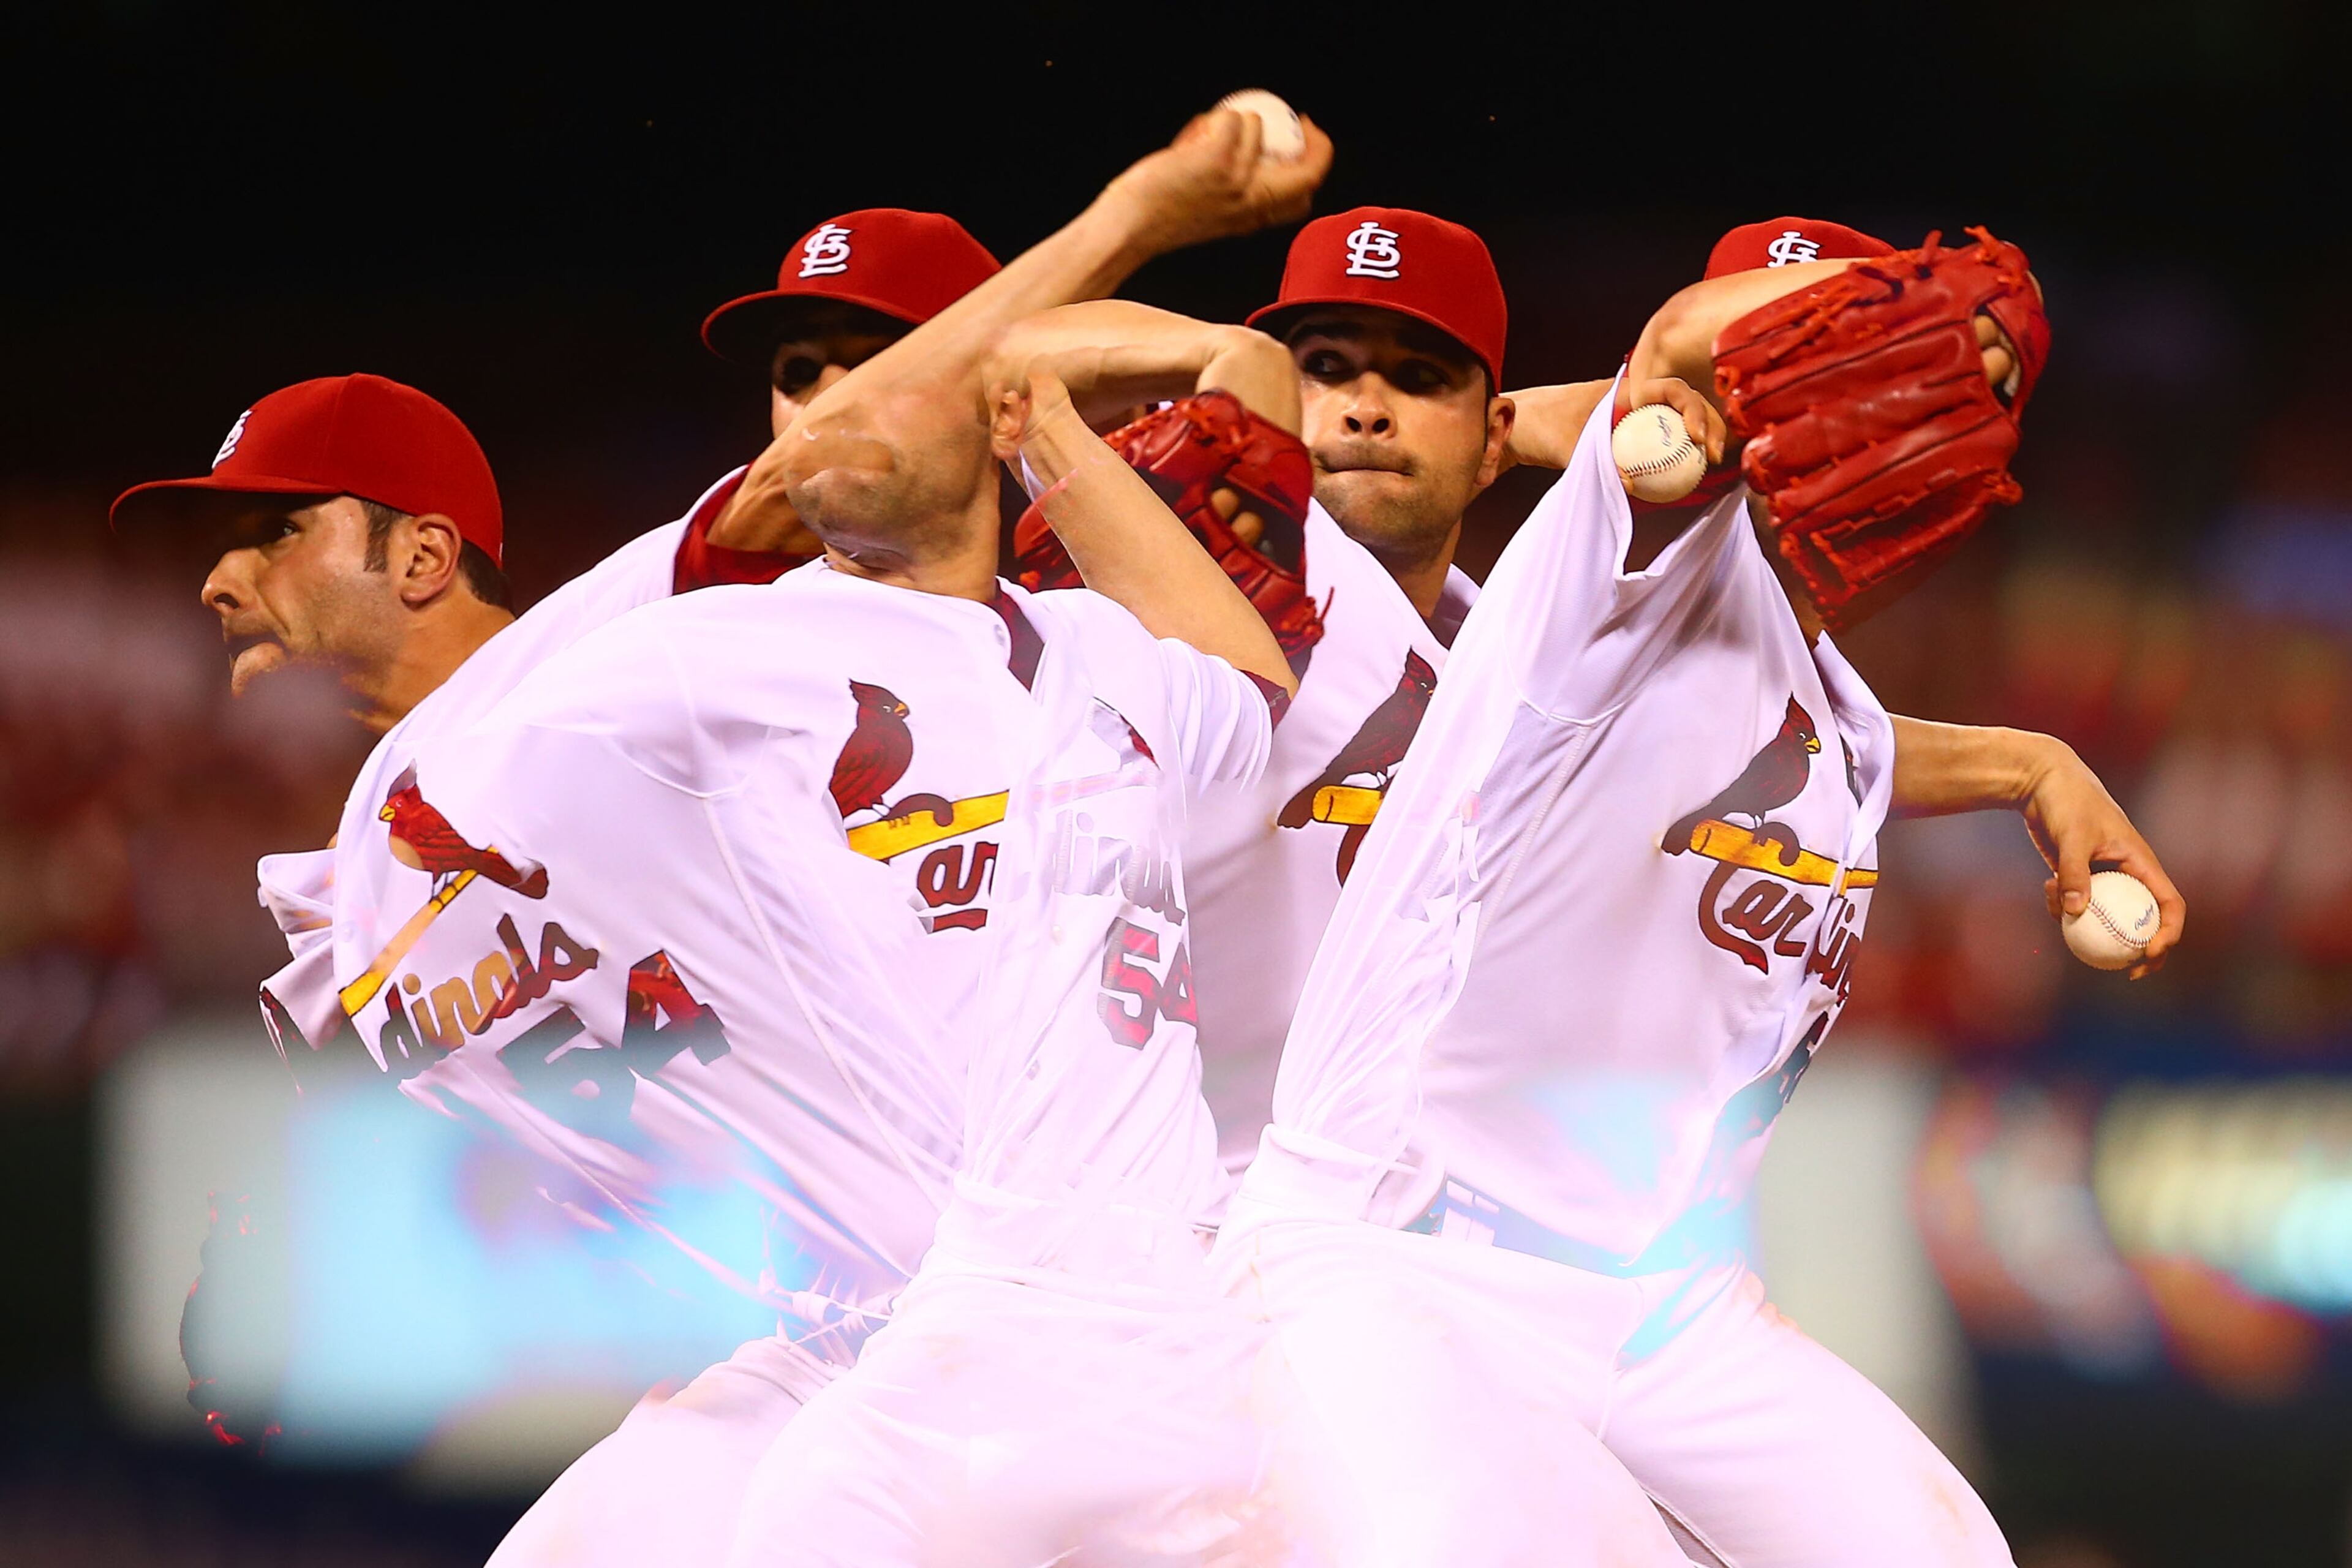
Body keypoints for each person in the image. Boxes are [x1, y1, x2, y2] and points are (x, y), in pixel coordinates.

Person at [312, 110, 1330, 1566]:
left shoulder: (1104, 657)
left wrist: (1045, 419)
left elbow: (1248, 689)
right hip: (855, 1326)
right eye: (798, 374)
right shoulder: (701, 648)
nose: (826, 404)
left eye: (880, 360)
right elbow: (436, 807)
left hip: (1110, 1308)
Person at [1216, 222, 2182, 1566]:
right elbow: (1674, 342)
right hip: (1423, 1257)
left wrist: (2033, 766)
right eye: (1831, 368)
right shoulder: (1620, 571)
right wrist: (1880, 307)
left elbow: (1823, 741)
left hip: (1671, 1300)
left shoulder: (1823, 698)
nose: (1870, 406)